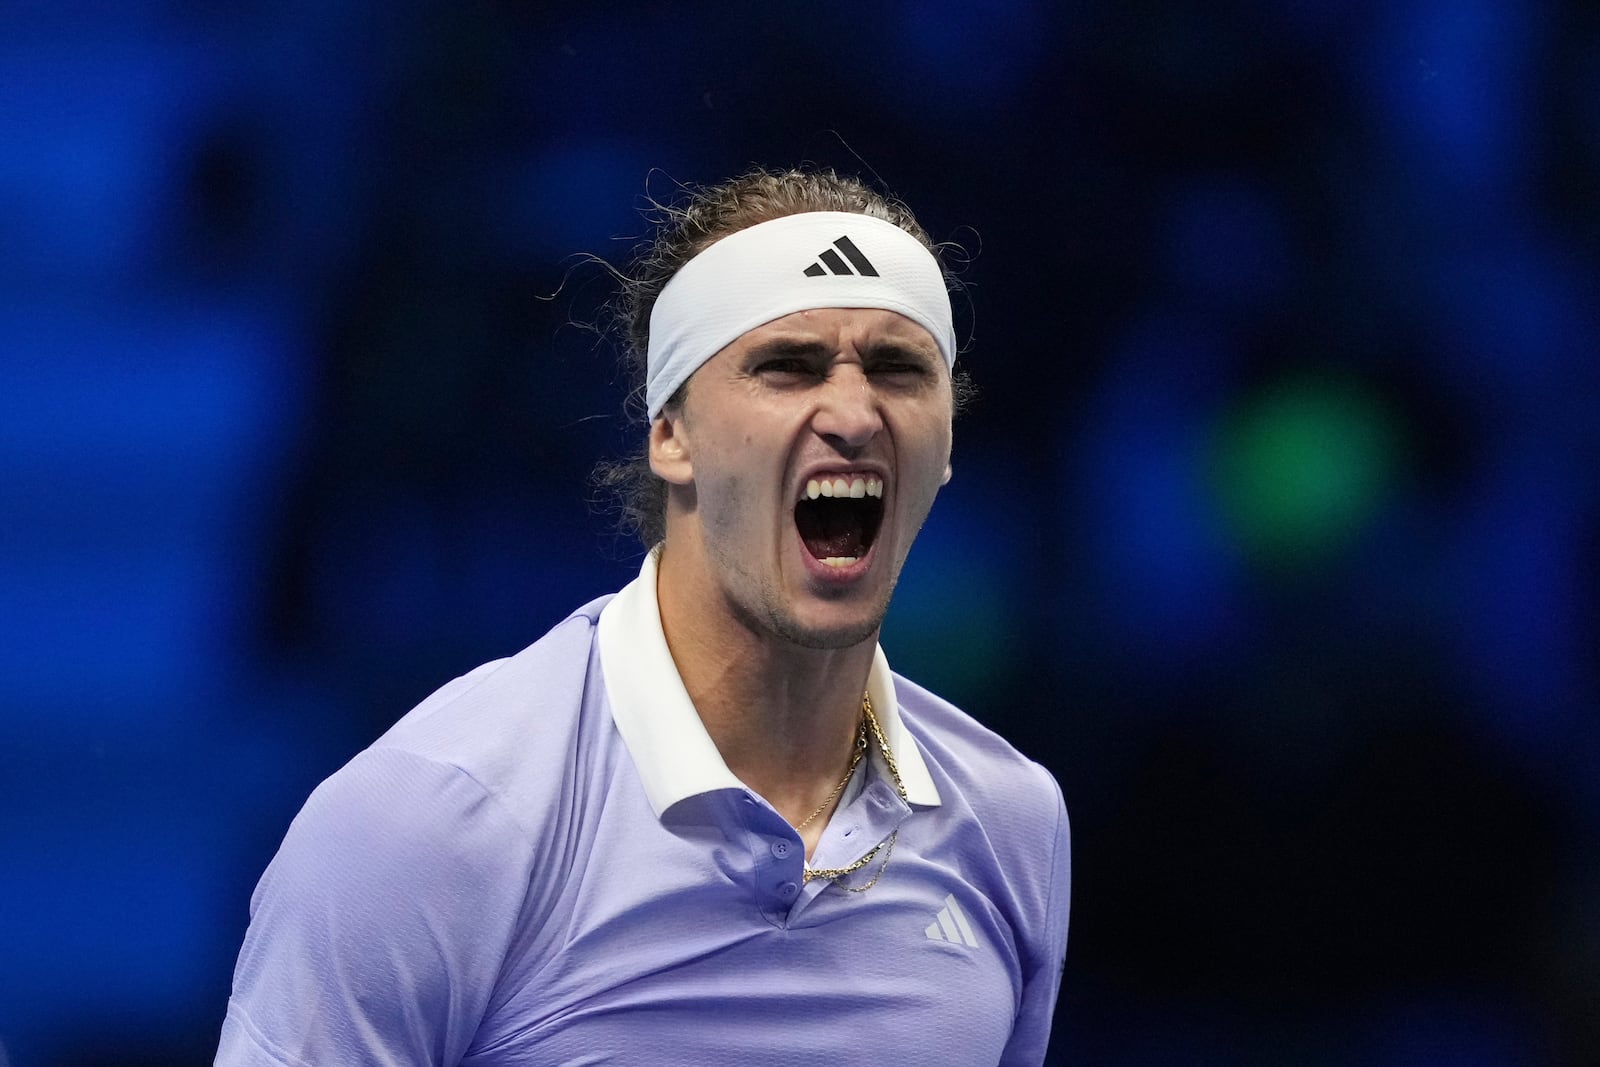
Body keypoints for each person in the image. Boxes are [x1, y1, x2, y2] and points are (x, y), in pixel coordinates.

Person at [216, 166, 1070, 1066]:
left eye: (900, 369)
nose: (856, 413)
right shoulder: (428, 820)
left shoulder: (1011, 821)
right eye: (788, 365)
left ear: (945, 446)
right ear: (672, 434)